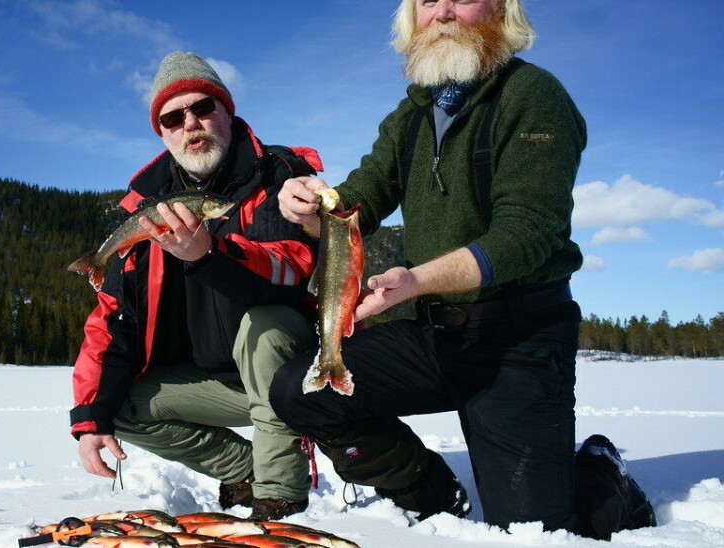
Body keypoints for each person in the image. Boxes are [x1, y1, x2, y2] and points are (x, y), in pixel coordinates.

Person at [267, 0, 656, 540]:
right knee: (298, 390)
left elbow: (526, 234)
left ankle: (603, 475)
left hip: (516, 339)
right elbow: (358, 200)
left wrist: (417, 280)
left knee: (534, 532)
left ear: (499, 10)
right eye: (428, 1)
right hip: (436, 338)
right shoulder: (411, 115)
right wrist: (311, 202)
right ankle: (430, 493)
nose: (444, 11)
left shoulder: (534, 95)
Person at [69, 51, 321, 521]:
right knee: (117, 406)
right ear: (162, 132)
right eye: (173, 116)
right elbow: (111, 318)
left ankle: (281, 496)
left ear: (227, 111)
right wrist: (90, 416)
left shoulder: (279, 175)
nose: (191, 123)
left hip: (298, 371)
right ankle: (245, 470)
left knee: (266, 327)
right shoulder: (145, 204)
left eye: (203, 107)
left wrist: (209, 255)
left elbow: (294, 268)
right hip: (213, 381)